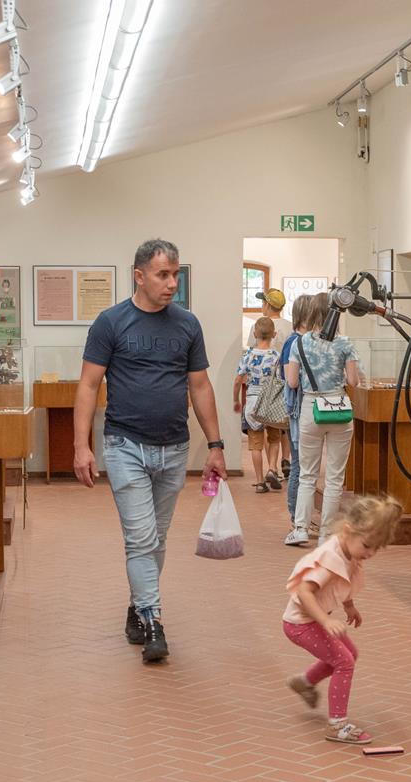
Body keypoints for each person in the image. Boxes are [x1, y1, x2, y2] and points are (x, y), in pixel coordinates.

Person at [74, 238, 228, 664]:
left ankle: (136, 605)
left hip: (174, 449)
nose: (172, 283)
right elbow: (88, 385)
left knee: (155, 539)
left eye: (175, 274)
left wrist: (216, 446)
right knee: (141, 538)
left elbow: (200, 386)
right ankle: (153, 620)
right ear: (139, 276)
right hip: (125, 446)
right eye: (163, 275)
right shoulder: (111, 322)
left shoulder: (187, 325)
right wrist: (81, 446)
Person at [282, 495, 403, 744]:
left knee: (350, 654)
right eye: (367, 545)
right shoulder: (330, 557)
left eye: (376, 548)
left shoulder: (348, 552)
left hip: (312, 620)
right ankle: (337, 725)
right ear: (348, 531)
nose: (370, 553)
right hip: (300, 624)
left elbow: (341, 582)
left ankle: (305, 682)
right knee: (344, 662)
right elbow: (304, 592)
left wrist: (349, 606)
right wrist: (326, 622)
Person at [284, 292, 362, 547]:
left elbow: (292, 382)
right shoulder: (345, 343)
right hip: (339, 407)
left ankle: (300, 528)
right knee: (335, 478)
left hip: (311, 407)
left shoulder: (300, 343)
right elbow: (353, 381)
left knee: (307, 474)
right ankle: (327, 534)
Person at [233, 316, 283, 493]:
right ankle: (272, 468)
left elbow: (238, 380)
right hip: (272, 402)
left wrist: (236, 400)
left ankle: (260, 482)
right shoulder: (277, 356)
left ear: (254, 333)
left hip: (253, 402)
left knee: (256, 444)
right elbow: (282, 380)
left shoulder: (248, 356)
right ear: (274, 334)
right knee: (274, 438)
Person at [278, 295, 313, 525]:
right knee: (299, 465)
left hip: (303, 408)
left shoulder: (305, 340)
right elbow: (288, 378)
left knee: (303, 465)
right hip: (297, 410)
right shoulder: (293, 342)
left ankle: (300, 516)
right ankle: (295, 516)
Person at [259, 288, 292, 478]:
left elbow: (254, 348)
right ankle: (286, 459)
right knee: (285, 423)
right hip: (286, 379)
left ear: (268, 305)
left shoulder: (261, 324)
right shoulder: (289, 326)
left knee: (268, 425)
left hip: (267, 383)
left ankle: (271, 466)